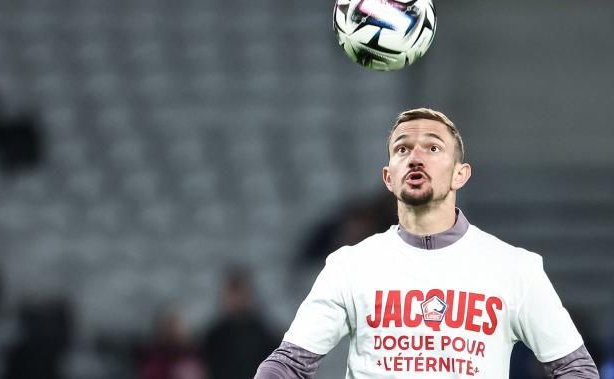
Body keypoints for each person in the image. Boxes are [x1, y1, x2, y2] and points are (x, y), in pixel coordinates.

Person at [254, 108, 599, 378]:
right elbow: (288, 366)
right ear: (389, 177)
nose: (416, 157)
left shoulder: (515, 268)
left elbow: (575, 368)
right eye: (402, 148)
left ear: (460, 173)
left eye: (433, 147)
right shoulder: (349, 266)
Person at [203, 267, 277, 379]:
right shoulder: (213, 336)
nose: (235, 299)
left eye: (239, 292)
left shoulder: (264, 334)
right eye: (231, 293)